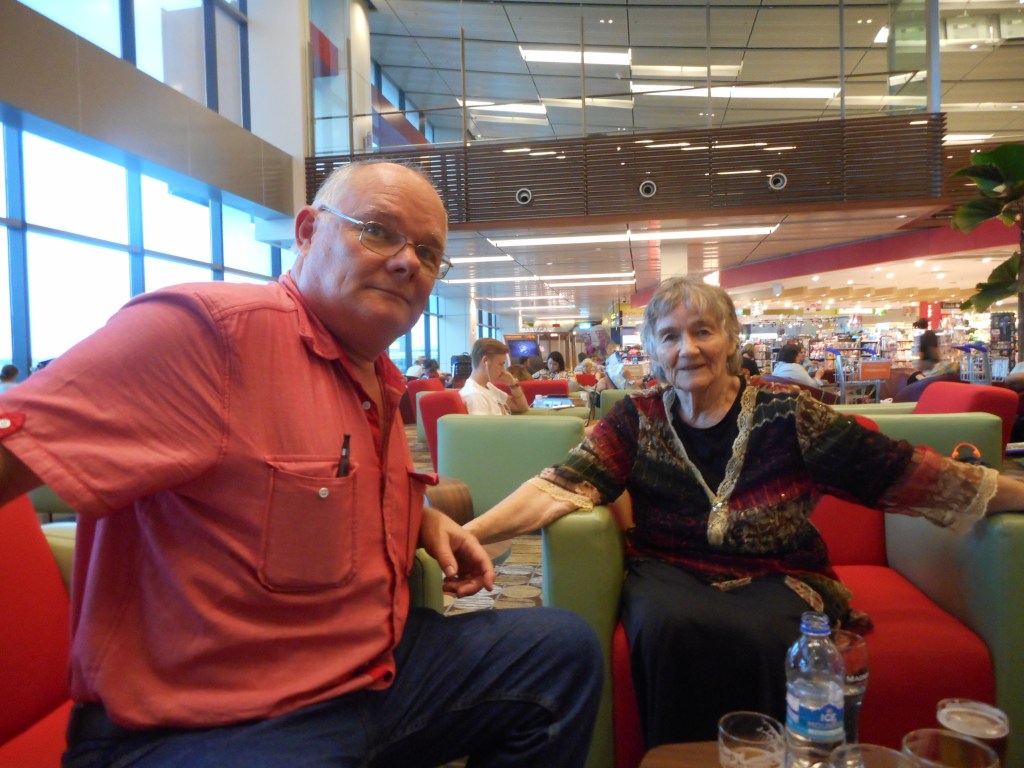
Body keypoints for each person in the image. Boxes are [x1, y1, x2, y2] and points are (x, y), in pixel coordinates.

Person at [0, 161, 601, 767]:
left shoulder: (375, 374)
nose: (406, 262)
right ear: (308, 232)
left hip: (371, 674)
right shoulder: (207, 335)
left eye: (427, 250)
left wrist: (417, 516)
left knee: (561, 652)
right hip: (211, 723)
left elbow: (303, 481)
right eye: (378, 231)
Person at [464, 274, 1024, 750]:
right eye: (670, 337)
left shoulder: (788, 411)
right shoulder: (636, 419)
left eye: (702, 331)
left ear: (730, 339)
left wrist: (1014, 493)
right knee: (666, 626)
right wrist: (469, 536)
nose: (688, 349)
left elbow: (901, 470)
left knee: (766, 634)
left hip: (778, 569)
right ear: (654, 351)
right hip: (668, 568)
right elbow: (561, 486)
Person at [459, 338, 530, 415]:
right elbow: (483, 427)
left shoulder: (488, 386)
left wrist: (513, 384)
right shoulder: (475, 395)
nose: (503, 370)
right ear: (485, 361)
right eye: (501, 364)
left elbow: (522, 407)